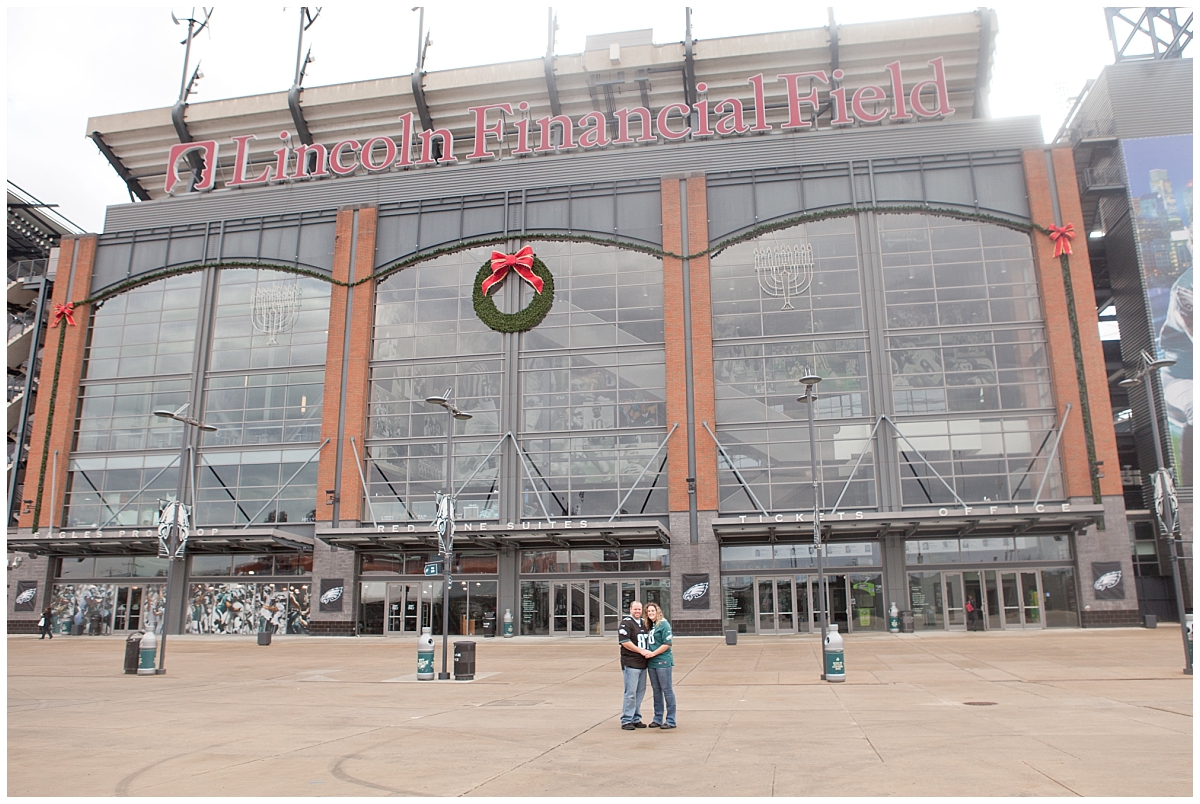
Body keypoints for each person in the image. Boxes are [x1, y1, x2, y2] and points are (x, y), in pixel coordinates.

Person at [618, 600, 651, 730]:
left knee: (640, 692)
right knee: (630, 693)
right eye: (635, 609)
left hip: (643, 664)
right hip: (631, 663)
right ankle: (626, 719)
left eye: (639, 609)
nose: (637, 611)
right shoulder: (626, 623)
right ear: (630, 609)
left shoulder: (644, 623)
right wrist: (641, 651)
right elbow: (625, 642)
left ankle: (635, 717)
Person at [644, 602, 676, 730]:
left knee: (666, 690)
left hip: (662, 661)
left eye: (653, 611)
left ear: (657, 611)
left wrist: (653, 653)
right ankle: (657, 718)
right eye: (648, 612)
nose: (651, 613)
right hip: (651, 663)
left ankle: (671, 720)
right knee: (656, 691)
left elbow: (667, 643)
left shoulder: (663, 624)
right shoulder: (650, 626)